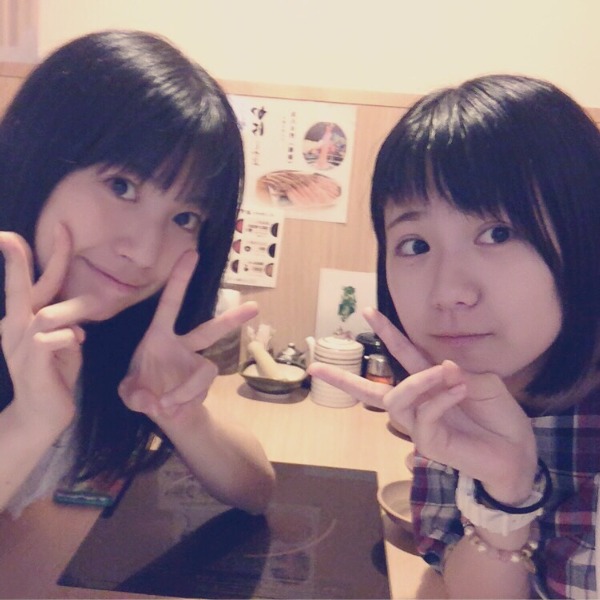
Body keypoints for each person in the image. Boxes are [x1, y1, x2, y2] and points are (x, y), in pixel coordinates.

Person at [309, 74, 600, 598]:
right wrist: (506, 494)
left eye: (498, 233)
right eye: (415, 244)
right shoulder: (452, 399)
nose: (447, 293)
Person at [0, 30, 276, 518]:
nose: (146, 253)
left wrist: (182, 415)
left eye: (185, 217)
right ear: (36, 160)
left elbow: (255, 492)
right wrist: (29, 421)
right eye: (122, 186)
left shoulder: (107, 334)